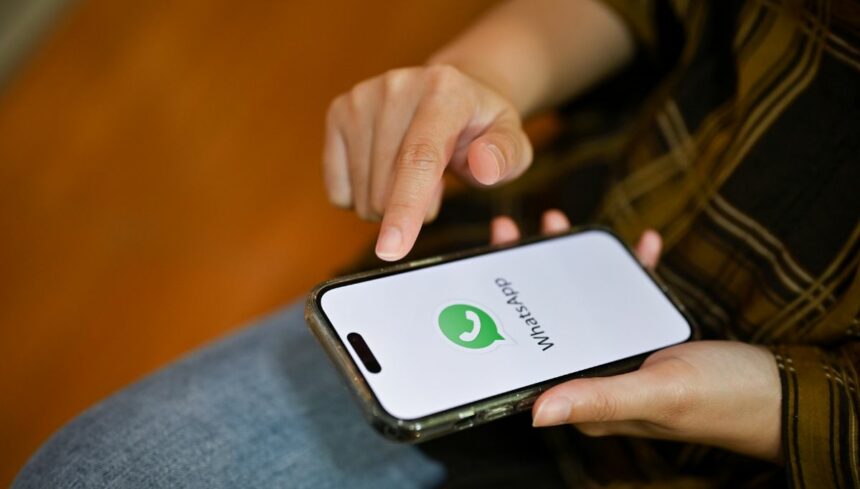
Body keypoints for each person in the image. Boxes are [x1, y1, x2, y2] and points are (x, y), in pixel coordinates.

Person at [15, 0, 859, 487]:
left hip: (761, 452)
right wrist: (480, 79)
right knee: (99, 473)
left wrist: (781, 406)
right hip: (565, 222)